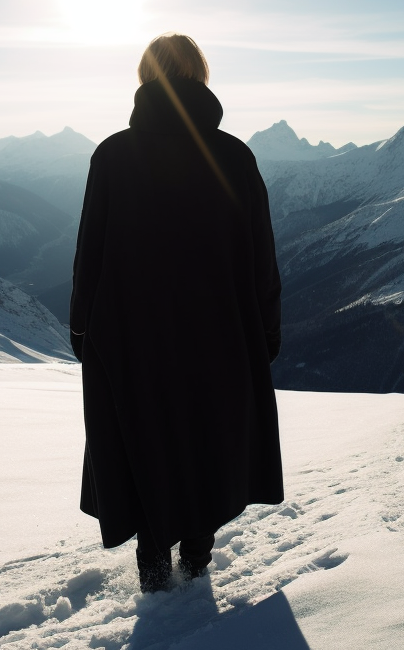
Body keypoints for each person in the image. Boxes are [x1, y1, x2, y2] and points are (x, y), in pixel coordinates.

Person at [70, 32, 284, 593]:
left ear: (145, 77)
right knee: (208, 442)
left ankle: (156, 577)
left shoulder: (113, 155)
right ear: (200, 76)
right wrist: (266, 331)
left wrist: (81, 329)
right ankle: (195, 567)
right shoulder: (235, 156)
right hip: (220, 337)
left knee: (145, 443)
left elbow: (88, 253)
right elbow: (261, 255)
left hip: (130, 337)